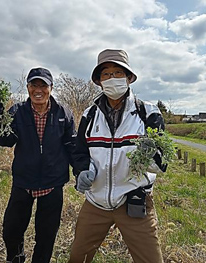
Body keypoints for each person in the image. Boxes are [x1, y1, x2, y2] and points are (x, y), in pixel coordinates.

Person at [69, 49, 166, 263]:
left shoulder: (148, 113)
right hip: (96, 202)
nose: (112, 79)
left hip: (134, 201)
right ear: (99, 81)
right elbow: (79, 151)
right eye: (106, 74)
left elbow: (161, 163)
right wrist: (82, 170)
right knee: (78, 257)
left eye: (118, 73)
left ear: (129, 78)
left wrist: (149, 154)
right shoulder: (89, 114)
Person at [0, 67, 76, 263]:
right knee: (11, 230)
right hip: (24, 181)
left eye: (43, 85)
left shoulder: (64, 113)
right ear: (27, 88)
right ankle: (16, 258)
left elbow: (72, 145)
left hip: (52, 183)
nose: (38, 90)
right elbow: (5, 141)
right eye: (33, 85)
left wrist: (81, 171)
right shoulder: (17, 111)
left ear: (51, 88)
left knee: (46, 236)